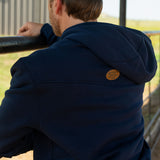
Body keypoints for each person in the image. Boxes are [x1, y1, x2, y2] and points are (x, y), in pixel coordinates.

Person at [0, 0, 157, 159]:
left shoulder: (36, 71)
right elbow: (85, 49)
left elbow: (4, 140)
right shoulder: (135, 50)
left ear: (57, 5)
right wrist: (47, 30)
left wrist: (42, 131)